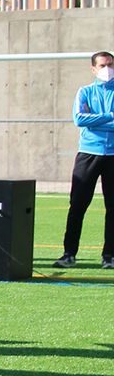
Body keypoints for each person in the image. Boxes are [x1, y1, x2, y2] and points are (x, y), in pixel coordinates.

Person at [55, 50, 114, 269]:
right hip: (88, 153)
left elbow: (90, 120)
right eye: (102, 65)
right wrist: (109, 116)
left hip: (113, 155)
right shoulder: (85, 92)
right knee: (78, 205)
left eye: (110, 64)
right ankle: (69, 253)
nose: (107, 69)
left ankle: (109, 256)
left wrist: (95, 120)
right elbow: (80, 119)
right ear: (93, 69)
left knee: (113, 207)